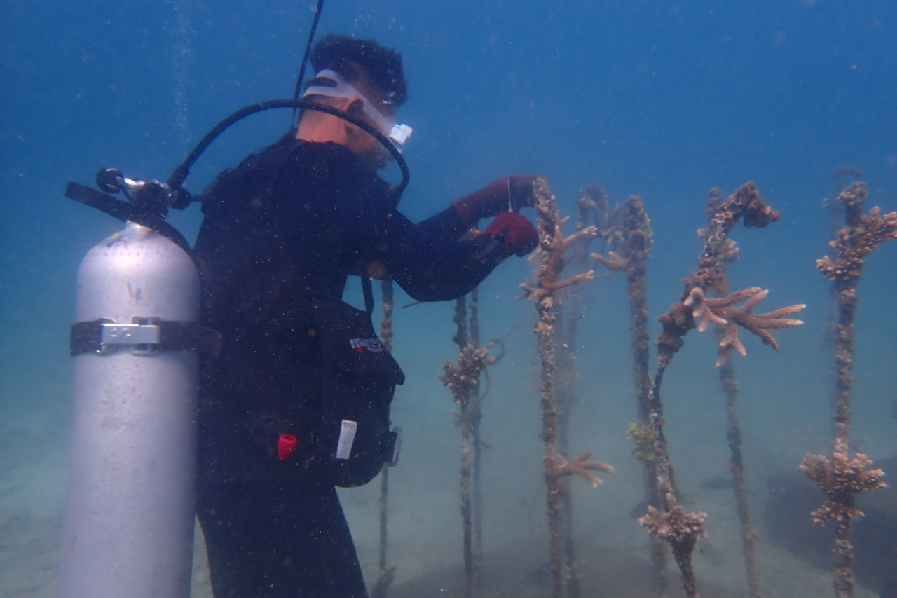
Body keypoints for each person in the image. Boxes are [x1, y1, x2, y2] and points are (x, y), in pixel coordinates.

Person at [193, 33, 542, 598]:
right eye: (392, 127)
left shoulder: (255, 175)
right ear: (355, 111)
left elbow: (383, 249)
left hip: (221, 454)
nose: (390, 145)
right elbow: (428, 273)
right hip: (275, 464)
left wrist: (475, 206)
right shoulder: (331, 172)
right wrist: (502, 239)